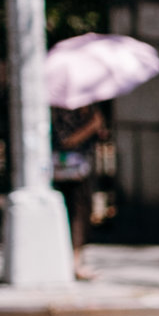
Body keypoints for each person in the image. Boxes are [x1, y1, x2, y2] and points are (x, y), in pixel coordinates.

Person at [50, 102, 108, 279]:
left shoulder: (88, 110)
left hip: (82, 169)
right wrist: (91, 126)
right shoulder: (61, 110)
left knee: (82, 213)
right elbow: (65, 140)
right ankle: (71, 264)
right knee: (73, 214)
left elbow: (101, 137)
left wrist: (97, 126)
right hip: (66, 170)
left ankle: (77, 261)